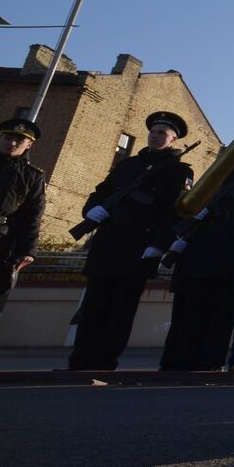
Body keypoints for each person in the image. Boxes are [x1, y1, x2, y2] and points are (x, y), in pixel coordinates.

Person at [70, 112, 193, 371]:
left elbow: (175, 211)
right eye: (154, 131)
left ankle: (105, 361)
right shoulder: (126, 166)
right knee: (94, 306)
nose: (156, 136)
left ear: (173, 140)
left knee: (121, 310)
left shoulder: (179, 171)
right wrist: (92, 210)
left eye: (163, 133)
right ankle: (80, 359)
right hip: (109, 242)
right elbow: (101, 193)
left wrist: (159, 243)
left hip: (140, 246)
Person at [160, 119, 234, 371]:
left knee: (222, 311)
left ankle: (210, 363)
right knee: (193, 307)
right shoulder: (222, 165)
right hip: (203, 243)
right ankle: (182, 361)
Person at [0, 119, 46, 308]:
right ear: (0, 138)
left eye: (19, 141)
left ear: (29, 145)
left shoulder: (32, 175)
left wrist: (27, 250)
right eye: (8, 138)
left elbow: (32, 215)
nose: (12, 143)